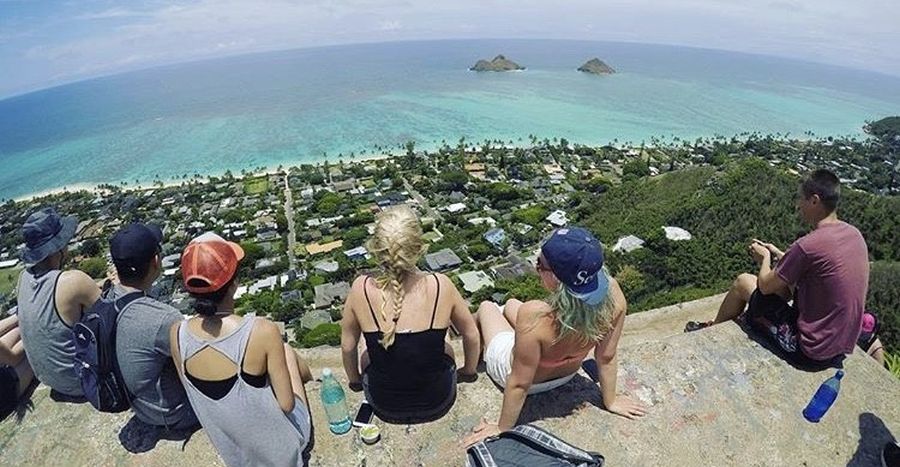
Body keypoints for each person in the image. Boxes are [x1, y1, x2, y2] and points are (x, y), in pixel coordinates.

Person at [464, 227, 646, 447]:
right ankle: (506, 323)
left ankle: (470, 367)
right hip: (566, 374)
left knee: (486, 307)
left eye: (540, 265)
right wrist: (611, 401)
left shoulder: (535, 314)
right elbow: (606, 357)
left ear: (557, 278)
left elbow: (519, 383)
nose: (536, 267)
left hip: (523, 378)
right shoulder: (614, 296)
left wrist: (503, 428)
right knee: (512, 304)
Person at [685, 170, 869, 369]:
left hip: (808, 351)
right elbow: (819, 268)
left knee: (743, 282)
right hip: (839, 346)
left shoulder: (808, 246)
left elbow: (764, 286)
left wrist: (764, 258)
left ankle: (712, 330)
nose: (798, 205)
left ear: (814, 200)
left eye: (801, 199)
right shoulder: (854, 235)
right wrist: (781, 255)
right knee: (782, 288)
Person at [170, 232, 312, 466]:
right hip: (284, 453)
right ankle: (313, 380)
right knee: (285, 351)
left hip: (237, 456)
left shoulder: (177, 334)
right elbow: (287, 405)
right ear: (234, 283)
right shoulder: (261, 330)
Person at [340, 205, 480, 424]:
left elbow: (348, 346)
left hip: (384, 404)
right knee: (444, 341)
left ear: (377, 248)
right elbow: (471, 334)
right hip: (438, 400)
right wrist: (468, 371)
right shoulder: (440, 285)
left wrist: (355, 381)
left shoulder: (361, 289)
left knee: (364, 349)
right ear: (418, 247)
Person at [109, 223, 196, 430]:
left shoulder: (106, 299)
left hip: (136, 403)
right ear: (156, 261)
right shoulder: (163, 319)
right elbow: (195, 370)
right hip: (170, 414)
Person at [16, 207, 100, 398]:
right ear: (58, 248)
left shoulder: (23, 278)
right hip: (83, 382)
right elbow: (112, 316)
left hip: (51, 379)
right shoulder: (74, 281)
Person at [1, 311, 35, 419]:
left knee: (19, 329)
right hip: (6, 387)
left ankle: (24, 313)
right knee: (36, 345)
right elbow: (13, 358)